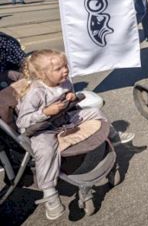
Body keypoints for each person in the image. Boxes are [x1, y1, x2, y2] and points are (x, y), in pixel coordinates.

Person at [15, 50, 134, 220]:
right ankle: (50, 193)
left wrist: (71, 97)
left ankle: (115, 137)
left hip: (64, 119)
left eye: (65, 66)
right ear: (42, 74)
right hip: (42, 128)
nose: (65, 70)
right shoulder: (35, 92)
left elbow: (70, 102)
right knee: (45, 150)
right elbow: (22, 121)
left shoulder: (64, 81)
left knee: (95, 112)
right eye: (58, 69)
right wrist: (45, 112)